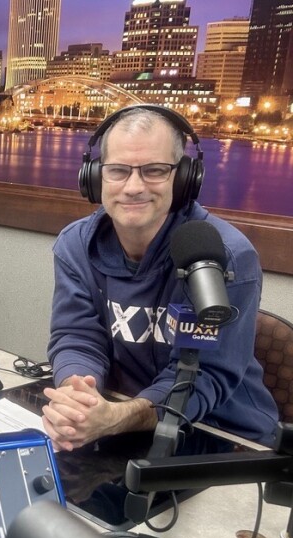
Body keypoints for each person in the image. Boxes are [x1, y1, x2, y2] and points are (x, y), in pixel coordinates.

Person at [42, 105, 278, 450]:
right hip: (126, 425)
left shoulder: (223, 256)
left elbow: (201, 377)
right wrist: (79, 395)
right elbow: (77, 335)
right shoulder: (76, 245)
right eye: (118, 171)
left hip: (224, 435)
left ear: (183, 178)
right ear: (95, 176)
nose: (134, 187)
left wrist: (114, 419)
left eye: (154, 171)